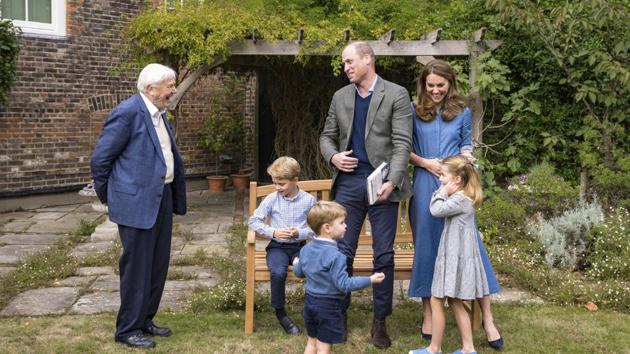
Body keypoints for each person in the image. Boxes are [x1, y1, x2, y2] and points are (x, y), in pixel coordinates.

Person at [319, 41, 413, 348]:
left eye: (349, 61)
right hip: (348, 184)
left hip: (382, 185)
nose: (345, 67)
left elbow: (402, 144)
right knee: (342, 252)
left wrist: (394, 180)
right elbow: (326, 136)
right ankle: (339, 315)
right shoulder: (340, 96)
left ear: (368, 59)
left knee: (383, 254)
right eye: (344, 63)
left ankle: (380, 321)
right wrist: (333, 157)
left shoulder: (396, 94)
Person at [407, 59, 503, 349]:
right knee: (427, 246)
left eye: (441, 85)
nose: (435, 91)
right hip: (425, 183)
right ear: (423, 84)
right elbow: (404, 148)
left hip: (456, 183)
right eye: (430, 85)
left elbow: (466, 144)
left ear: (450, 84)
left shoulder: (462, 111)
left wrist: (465, 157)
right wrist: (426, 163)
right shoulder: (413, 111)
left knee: (470, 247)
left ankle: (487, 318)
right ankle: (428, 312)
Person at [91, 63, 186, 349]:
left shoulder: (159, 114)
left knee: (157, 265)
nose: (173, 90)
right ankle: (127, 329)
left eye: (172, 85)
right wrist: (112, 196)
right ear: (151, 89)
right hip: (136, 203)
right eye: (169, 86)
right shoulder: (127, 112)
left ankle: (145, 320)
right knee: (137, 268)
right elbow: (101, 160)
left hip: (161, 197)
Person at [409, 155, 493, 354]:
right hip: (454, 257)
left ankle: (434, 349)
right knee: (454, 301)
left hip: (455, 260)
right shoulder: (463, 198)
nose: (440, 179)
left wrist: (441, 192)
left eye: (443, 175)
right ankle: (468, 348)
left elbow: (436, 210)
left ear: (457, 179)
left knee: (437, 300)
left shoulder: (459, 199)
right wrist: (445, 190)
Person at [293, 201, 385, 354]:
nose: (346, 226)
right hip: (328, 307)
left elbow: (299, 273)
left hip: (309, 303)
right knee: (324, 347)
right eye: (342, 222)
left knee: (312, 342)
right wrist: (370, 279)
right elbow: (344, 284)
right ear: (327, 228)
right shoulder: (337, 256)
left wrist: (297, 263)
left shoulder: (306, 249)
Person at [247, 156, 316, 335]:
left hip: (299, 248)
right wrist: (273, 232)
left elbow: (316, 228)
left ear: (295, 180)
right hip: (277, 247)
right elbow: (253, 221)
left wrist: (299, 233)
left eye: (281, 184)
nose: (277, 187)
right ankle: (281, 314)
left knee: (311, 269)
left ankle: (309, 309)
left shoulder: (308, 200)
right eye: (275, 183)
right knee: (278, 272)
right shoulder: (272, 199)